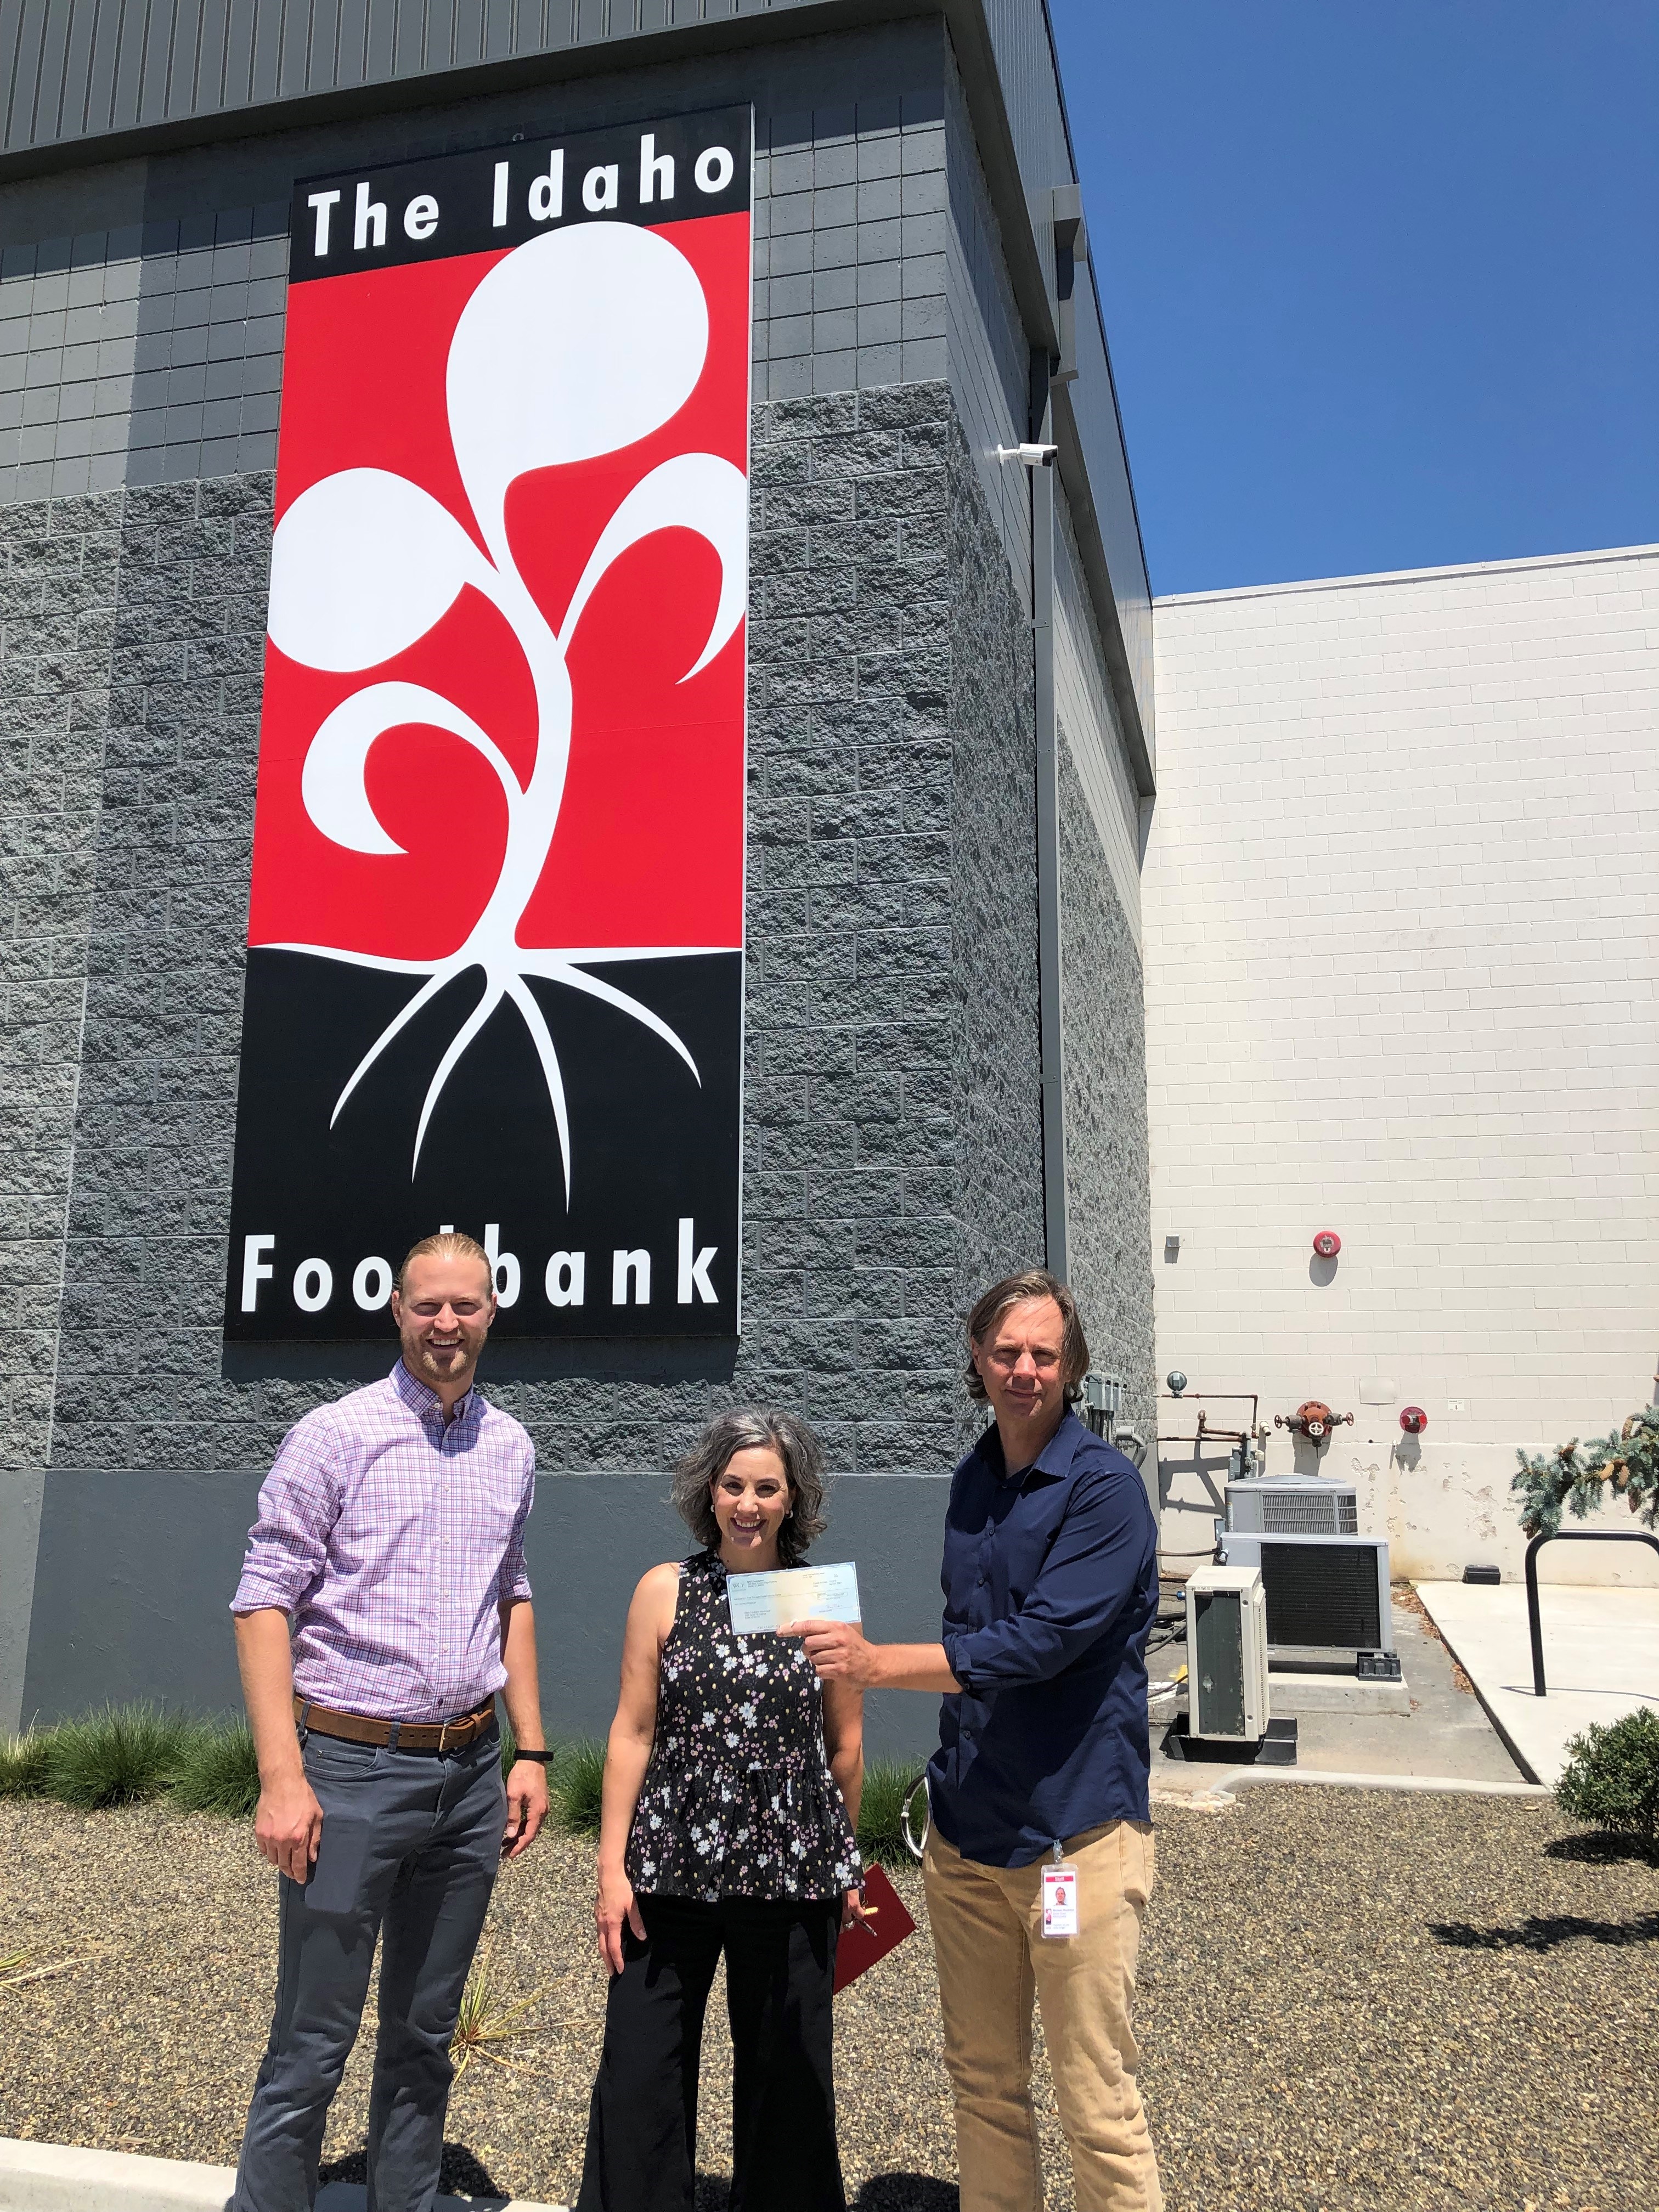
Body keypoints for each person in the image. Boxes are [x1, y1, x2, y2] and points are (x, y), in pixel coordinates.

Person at [792, 1269, 1163, 2212]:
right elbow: (974, 1623)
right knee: (984, 2084)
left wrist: (876, 1666)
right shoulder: (973, 1477)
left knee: (1096, 2099)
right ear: (977, 1357)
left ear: (1071, 1366)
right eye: (1006, 1352)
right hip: (967, 1842)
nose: (1024, 1369)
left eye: (1043, 1353)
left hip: (1070, 1842)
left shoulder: (1105, 1491)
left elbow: (1037, 1645)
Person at [228, 1230, 550, 2212]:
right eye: (427, 1305)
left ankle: (402, 2200)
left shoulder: (510, 1445)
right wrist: (283, 1777)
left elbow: (512, 1594)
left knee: (425, 2029)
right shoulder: (334, 1435)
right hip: (350, 1772)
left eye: (466, 1305)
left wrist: (530, 1748)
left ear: (493, 1312)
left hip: (469, 1775)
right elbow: (261, 1601)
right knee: (313, 2039)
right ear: (396, 1309)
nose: (446, 1323)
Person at [578, 1409, 870, 2212]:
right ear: (710, 1492)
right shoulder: (664, 1589)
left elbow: (843, 1746)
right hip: (668, 1869)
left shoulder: (819, 1597)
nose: (748, 1503)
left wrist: (844, 1862)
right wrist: (611, 1869)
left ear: (791, 1498)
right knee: (641, 2072)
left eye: (766, 1488)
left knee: (788, 2081)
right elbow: (633, 1731)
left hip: (791, 1871)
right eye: (734, 1485)